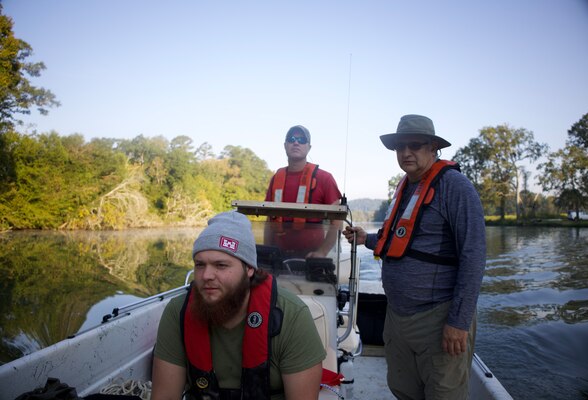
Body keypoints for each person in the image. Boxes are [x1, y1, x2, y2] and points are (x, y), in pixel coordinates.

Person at [343, 114, 486, 400]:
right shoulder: (405, 188)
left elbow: (474, 256)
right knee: (404, 390)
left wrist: (458, 323)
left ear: (434, 148)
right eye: (400, 146)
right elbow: (401, 241)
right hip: (397, 317)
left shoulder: (456, 187)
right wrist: (367, 239)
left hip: (437, 317)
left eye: (415, 145)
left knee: (443, 394)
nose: (406, 152)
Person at [151, 211, 326, 400]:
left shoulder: (291, 317)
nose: (206, 275)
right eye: (200, 265)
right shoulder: (178, 313)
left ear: (249, 268)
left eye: (221, 265)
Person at [264, 125, 342, 258]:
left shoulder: (325, 178)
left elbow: (337, 222)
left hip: (313, 257)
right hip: (278, 257)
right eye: (291, 139)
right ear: (285, 145)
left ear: (309, 147)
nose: (296, 142)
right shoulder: (276, 178)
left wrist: (322, 252)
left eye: (301, 140)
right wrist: (266, 252)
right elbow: (268, 221)